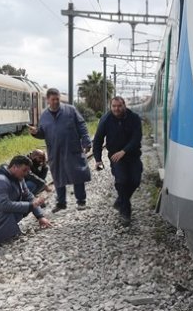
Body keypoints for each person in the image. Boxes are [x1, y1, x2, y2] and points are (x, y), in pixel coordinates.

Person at [29, 88, 91, 212]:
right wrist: (36, 133)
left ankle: (81, 201)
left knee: (77, 174)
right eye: (53, 99)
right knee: (58, 176)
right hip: (54, 150)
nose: (56, 101)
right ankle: (61, 203)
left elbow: (81, 125)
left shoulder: (70, 110)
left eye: (58, 99)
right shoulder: (45, 115)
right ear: (48, 100)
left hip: (71, 148)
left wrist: (86, 141)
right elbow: (43, 133)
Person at [0, 155, 51, 250]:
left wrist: (40, 217)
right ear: (14, 167)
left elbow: (29, 196)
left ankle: (5, 231)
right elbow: (4, 205)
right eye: (24, 170)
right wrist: (30, 205)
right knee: (8, 215)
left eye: (28, 171)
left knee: (20, 211)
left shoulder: (19, 179)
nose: (26, 174)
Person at [93, 96, 143, 226]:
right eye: (114, 106)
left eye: (119, 106)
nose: (116, 109)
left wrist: (124, 151)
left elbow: (137, 138)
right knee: (121, 181)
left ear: (124, 105)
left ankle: (120, 200)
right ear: (111, 107)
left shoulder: (134, 118)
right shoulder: (105, 119)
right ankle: (125, 213)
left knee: (135, 180)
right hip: (115, 156)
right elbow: (98, 140)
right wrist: (98, 159)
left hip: (132, 155)